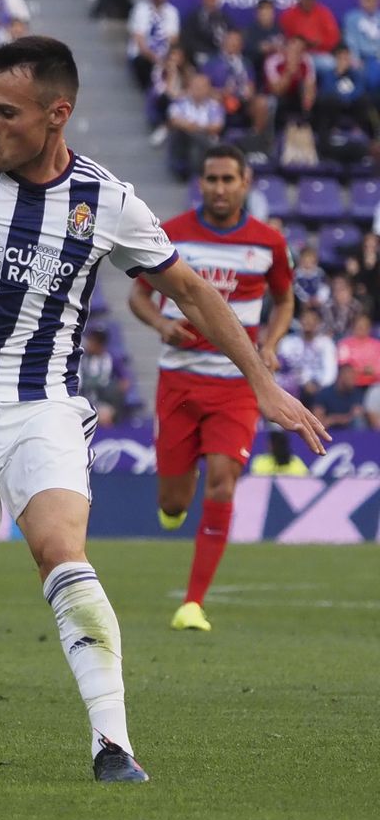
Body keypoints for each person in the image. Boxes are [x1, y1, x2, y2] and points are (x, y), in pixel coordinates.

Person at [0, 36, 326, 784]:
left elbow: (191, 291)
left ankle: (112, 744)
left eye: (4, 112)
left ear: (57, 115)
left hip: (42, 407)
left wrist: (261, 382)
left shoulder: (106, 201)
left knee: (61, 549)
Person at [127, 145, 294, 635]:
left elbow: (283, 302)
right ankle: (176, 503)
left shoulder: (268, 243)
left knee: (223, 481)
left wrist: (272, 344)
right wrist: (161, 324)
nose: (219, 188)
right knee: (174, 503)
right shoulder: (172, 234)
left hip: (236, 386)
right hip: (178, 382)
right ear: (201, 182)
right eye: (211, 179)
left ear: (246, 183)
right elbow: (139, 295)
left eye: (228, 179)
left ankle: (193, 603)